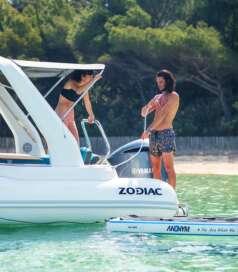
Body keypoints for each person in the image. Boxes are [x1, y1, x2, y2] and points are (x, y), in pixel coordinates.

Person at [141, 70, 179, 190]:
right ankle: (160, 194)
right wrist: (150, 105)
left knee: (168, 168)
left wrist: (147, 130)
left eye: (161, 81)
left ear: (168, 81)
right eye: (158, 82)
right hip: (154, 134)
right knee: (155, 168)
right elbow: (143, 113)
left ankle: (172, 195)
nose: (159, 84)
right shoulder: (157, 97)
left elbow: (162, 115)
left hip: (166, 133)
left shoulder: (174, 96)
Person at [55, 70, 101, 143]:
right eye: (90, 77)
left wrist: (91, 114)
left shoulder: (84, 88)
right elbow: (78, 91)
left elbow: (87, 102)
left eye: (92, 77)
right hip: (62, 113)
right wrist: (94, 80)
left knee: (76, 142)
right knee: (61, 139)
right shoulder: (71, 82)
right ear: (83, 76)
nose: (91, 79)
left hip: (70, 114)